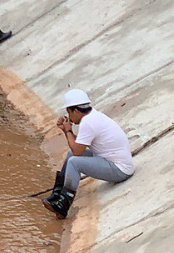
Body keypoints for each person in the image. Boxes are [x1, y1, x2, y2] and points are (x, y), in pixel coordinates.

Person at [43, 88, 134, 218]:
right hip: (112, 161)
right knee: (71, 155)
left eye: (69, 113)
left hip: (120, 170)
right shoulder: (92, 116)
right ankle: (57, 194)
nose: (69, 117)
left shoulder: (88, 122)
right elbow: (78, 146)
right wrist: (66, 130)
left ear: (75, 111)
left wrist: (68, 131)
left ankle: (63, 204)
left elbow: (78, 151)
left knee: (74, 162)